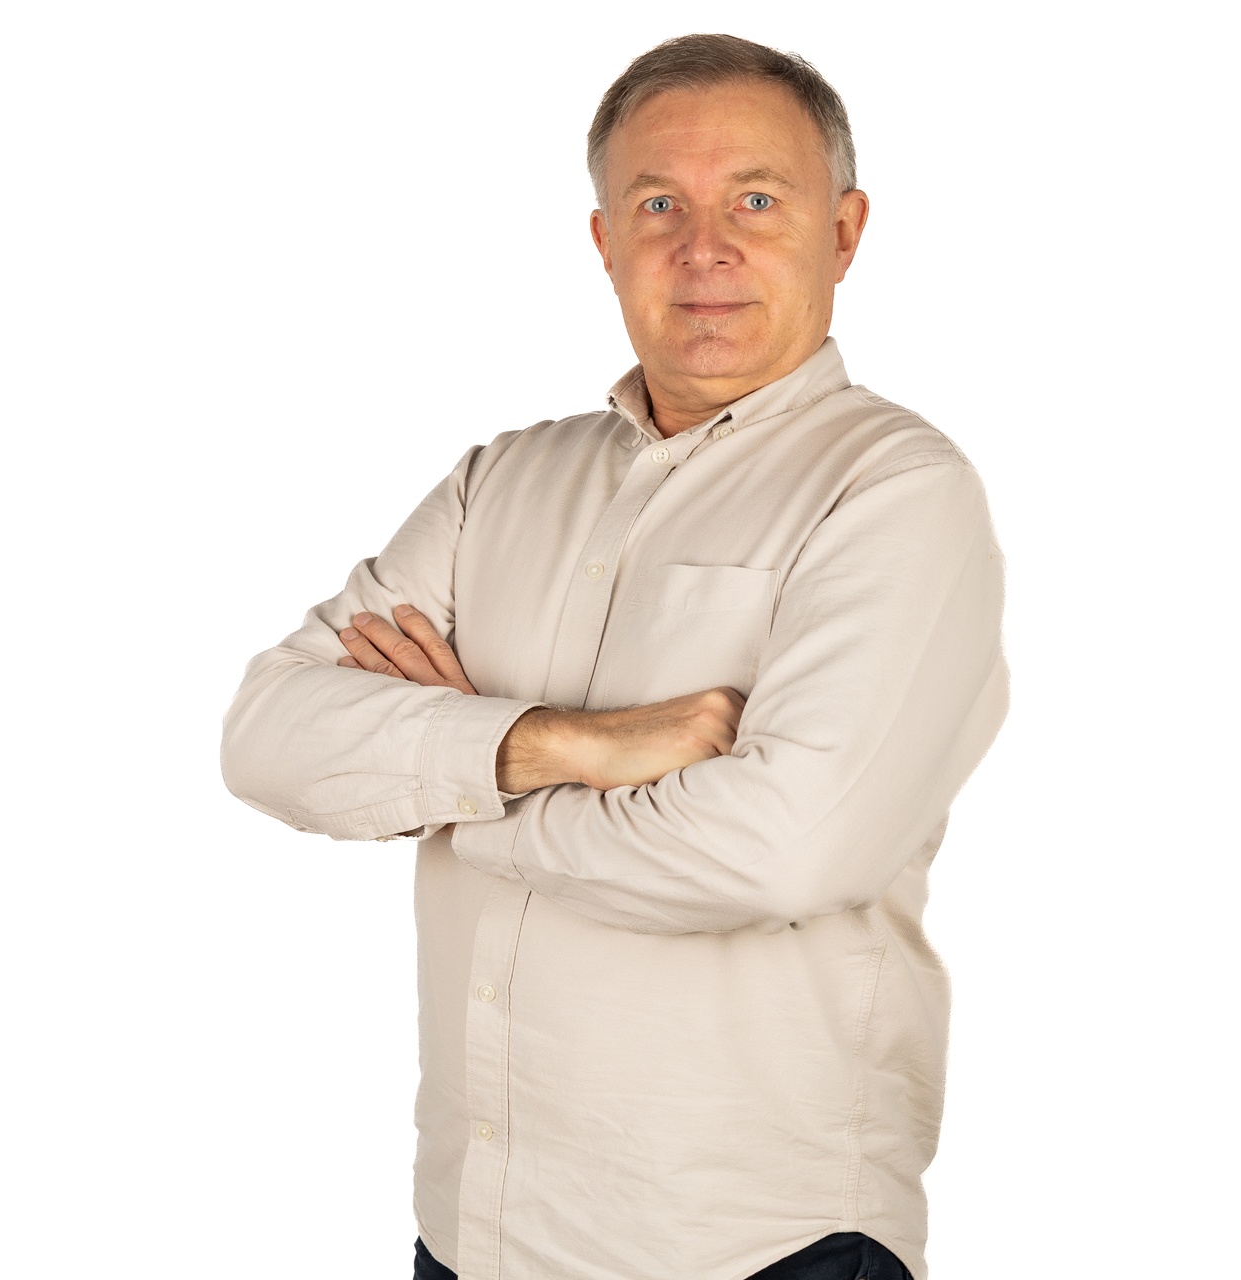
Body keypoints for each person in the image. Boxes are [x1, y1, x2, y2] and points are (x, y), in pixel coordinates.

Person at [221, 32, 1009, 1280]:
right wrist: (569, 744)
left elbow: (783, 846)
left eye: (757, 199)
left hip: (756, 1245)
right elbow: (267, 735)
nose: (705, 247)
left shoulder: (895, 493)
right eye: (658, 205)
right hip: (476, 1231)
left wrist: (454, 789)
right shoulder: (498, 482)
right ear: (604, 240)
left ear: (845, 232)